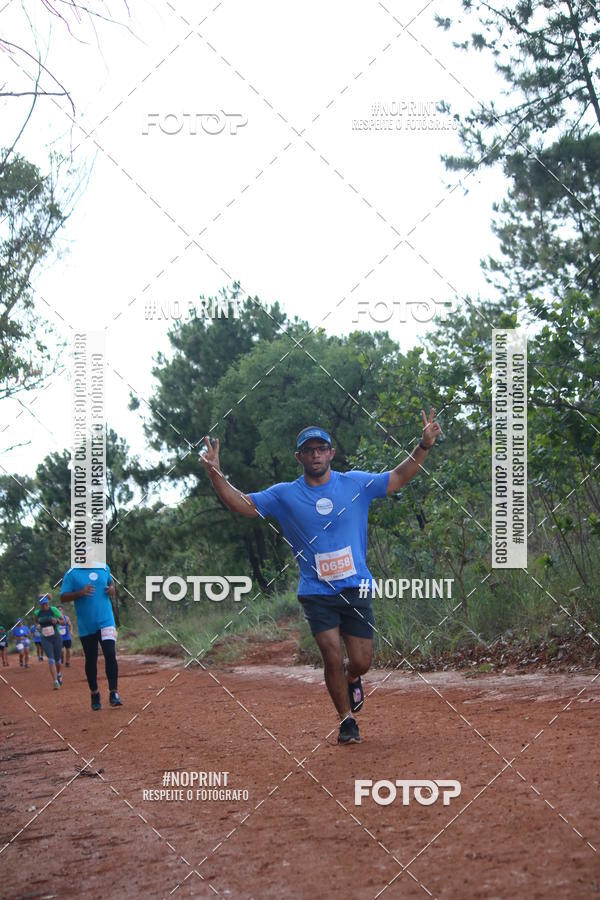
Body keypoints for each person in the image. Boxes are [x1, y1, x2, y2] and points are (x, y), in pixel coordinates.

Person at [200, 410, 443, 745]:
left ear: (331, 453)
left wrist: (424, 445)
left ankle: (353, 676)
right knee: (329, 652)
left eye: (321, 448)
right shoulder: (285, 494)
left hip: (355, 586)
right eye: (309, 450)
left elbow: (400, 476)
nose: (315, 454)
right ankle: (346, 721)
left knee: (362, 660)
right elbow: (241, 504)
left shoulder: (355, 484)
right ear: (299, 456)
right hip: (317, 591)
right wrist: (216, 474)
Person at [59, 564, 123, 710]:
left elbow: (111, 582)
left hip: (106, 620)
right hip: (86, 625)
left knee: (110, 652)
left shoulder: (104, 567)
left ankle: (114, 693)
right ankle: (94, 693)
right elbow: (63, 597)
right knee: (91, 658)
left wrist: (112, 589)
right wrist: (80, 593)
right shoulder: (72, 573)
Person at [34, 595, 65, 690]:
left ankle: (59, 673)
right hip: (45, 638)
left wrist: (57, 621)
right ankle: (55, 681)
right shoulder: (37, 613)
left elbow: (63, 621)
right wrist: (37, 626)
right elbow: (36, 622)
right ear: (40, 605)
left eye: (46, 604)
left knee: (58, 660)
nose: (44, 606)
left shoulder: (54, 610)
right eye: (43, 605)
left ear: (48, 603)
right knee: (51, 660)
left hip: (56, 636)